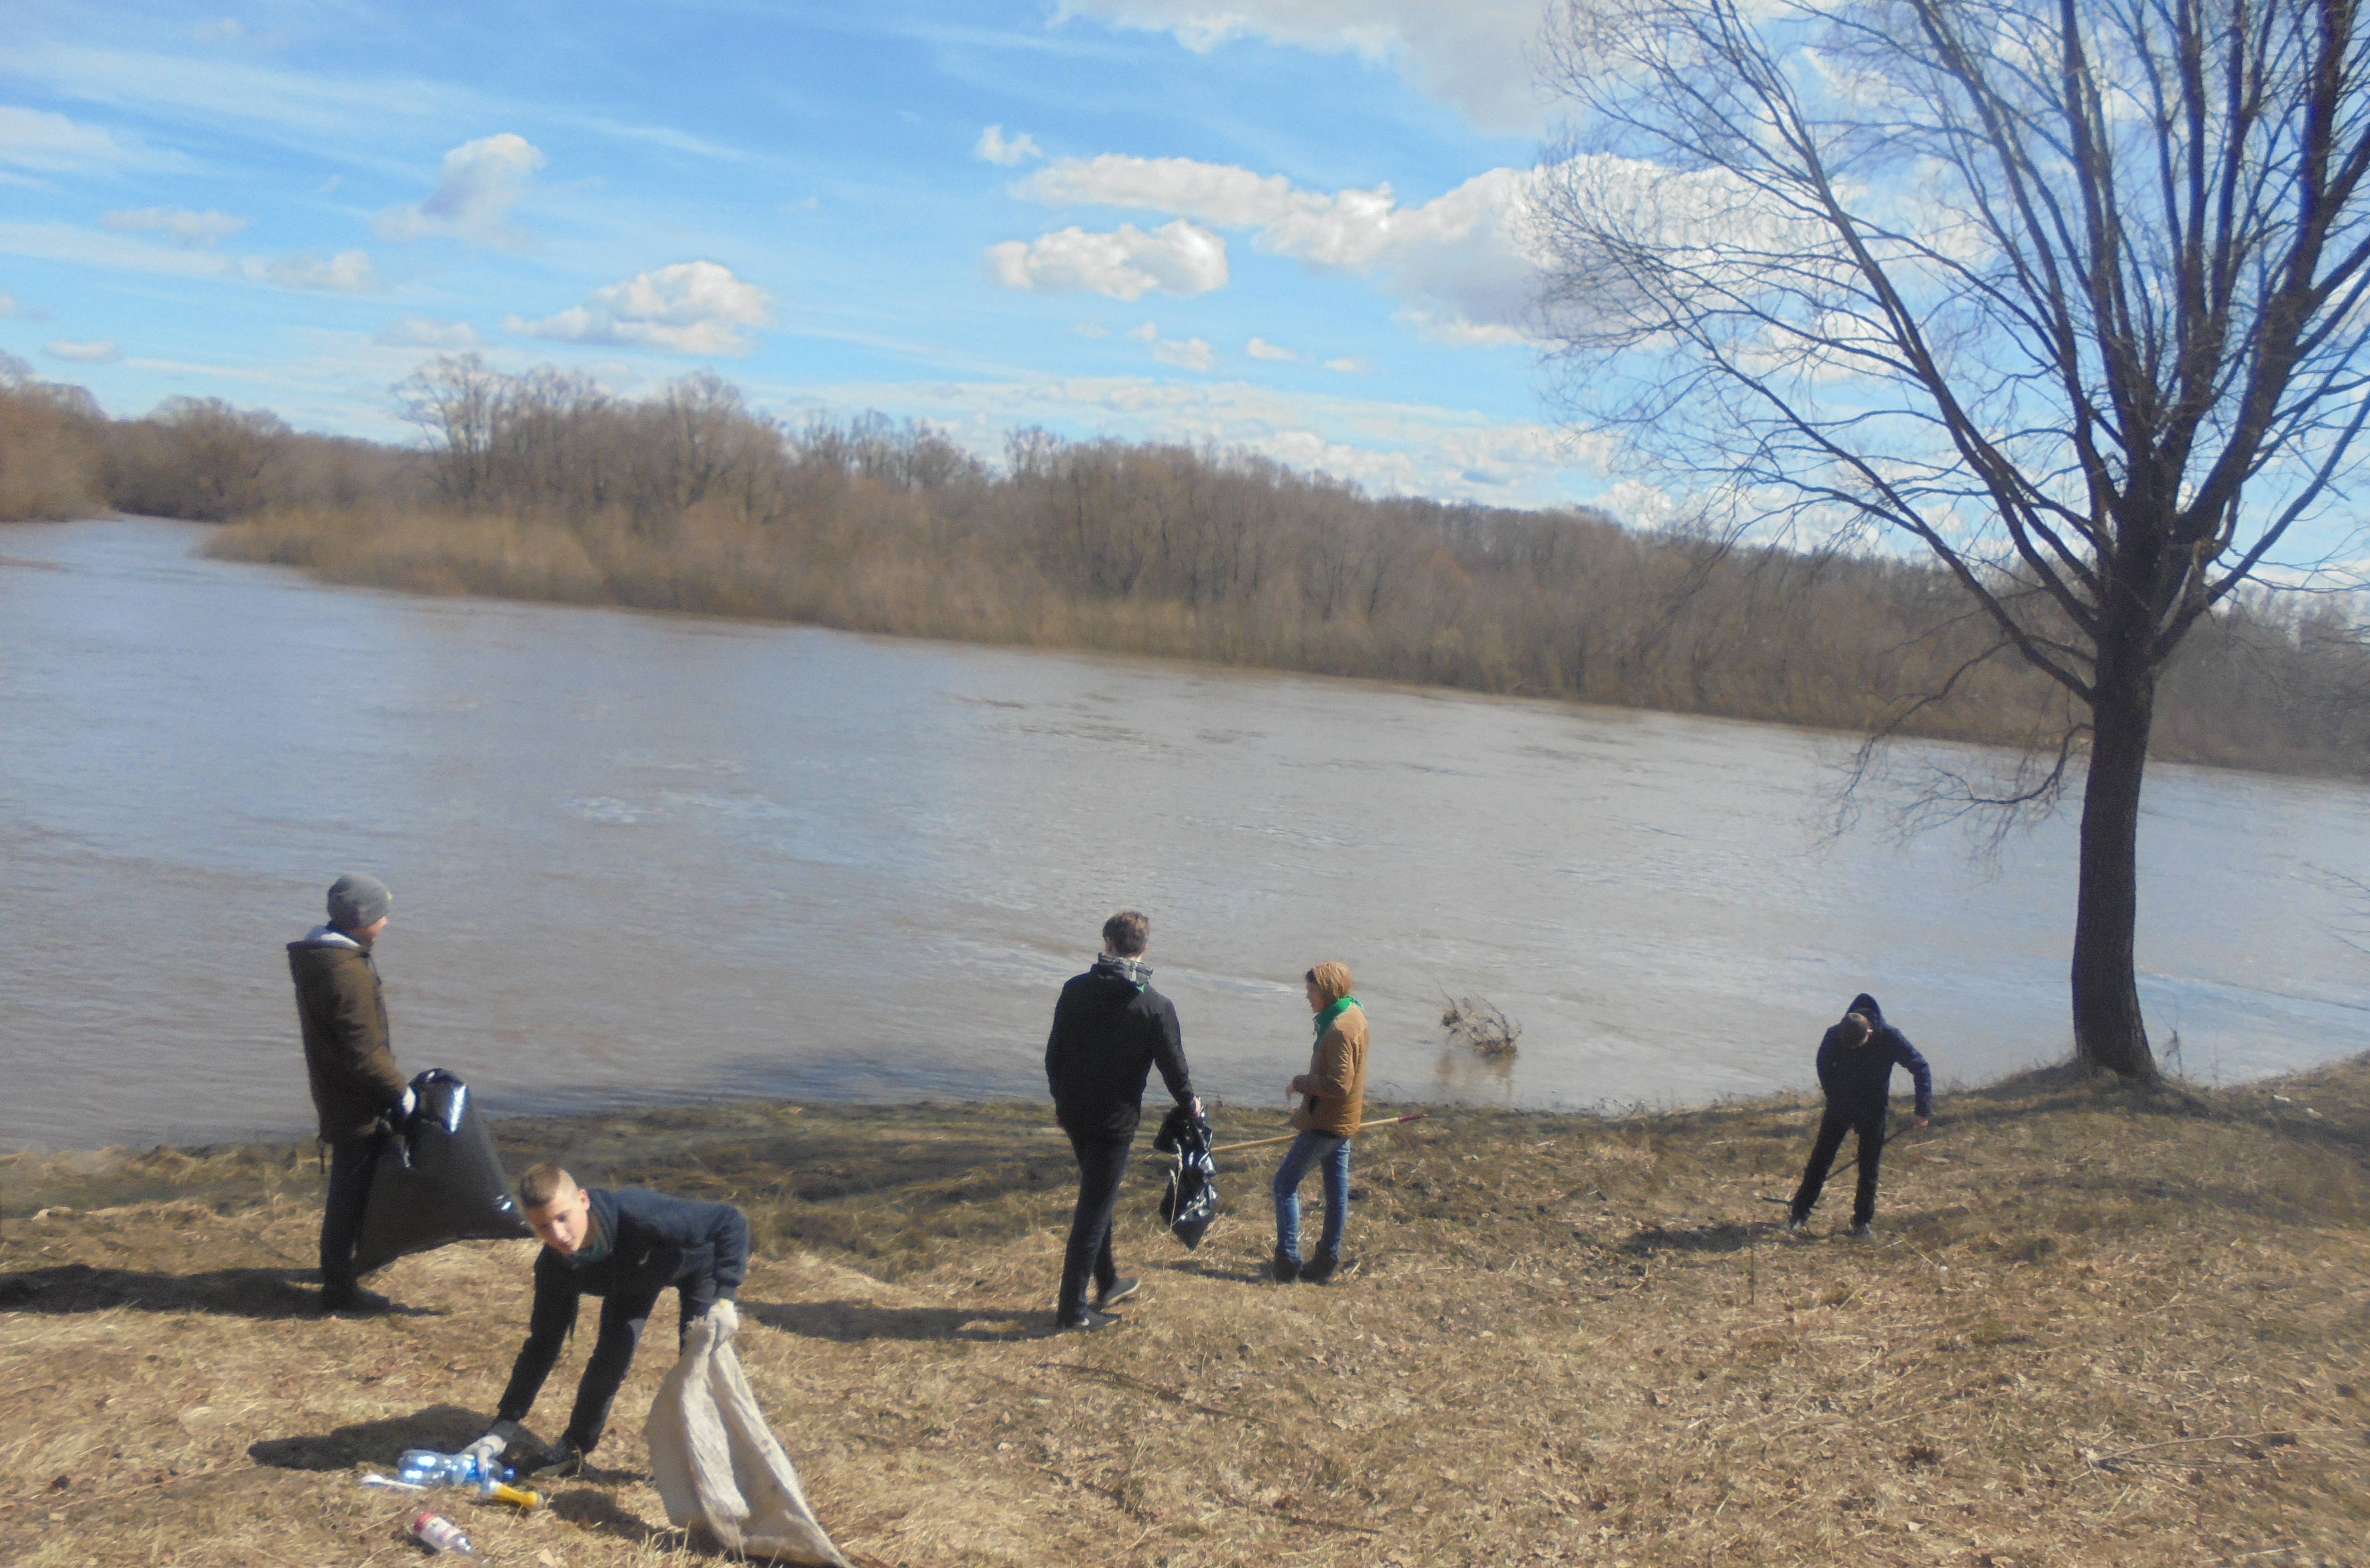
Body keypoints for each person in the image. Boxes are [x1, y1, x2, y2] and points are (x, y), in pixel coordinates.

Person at [463, 1164, 750, 1475]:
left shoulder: (641, 1217)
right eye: (543, 1227)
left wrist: (726, 1297)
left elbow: (730, 1220)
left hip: (695, 1264)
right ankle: (574, 1450)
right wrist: (503, 1426)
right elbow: (542, 1346)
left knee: (698, 1365)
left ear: (583, 1200)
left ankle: (711, 1464)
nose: (559, 1235)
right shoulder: (556, 1266)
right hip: (630, 1279)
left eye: (563, 1218)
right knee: (607, 1365)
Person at [1042, 910, 1199, 1332]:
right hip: (1114, 1125)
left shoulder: (1075, 990)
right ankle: (1072, 1312)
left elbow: (1054, 1056)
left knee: (1099, 1199)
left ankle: (1108, 1281)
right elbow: (1175, 1069)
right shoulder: (1155, 1006)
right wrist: (1192, 1106)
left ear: (1107, 943)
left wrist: (1060, 1101)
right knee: (1093, 1213)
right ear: (1144, 949)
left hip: (1076, 1116)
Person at [288, 872, 411, 1314]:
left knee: (354, 1188)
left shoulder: (327, 959)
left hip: (340, 1091)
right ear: (362, 922)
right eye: (382, 916)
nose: (387, 923)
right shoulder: (347, 975)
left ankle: (343, 1269)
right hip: (356, 1101)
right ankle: (339, 1289)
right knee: (349, 1195)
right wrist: (403, 1094)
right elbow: (364, 1055)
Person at [1787, 992, 1934, 1239]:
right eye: (1849, 1046)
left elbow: (1921, 1067)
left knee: (1869, 1168)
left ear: (1870, 1033)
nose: (1853, 1049)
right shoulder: (1834, 1035)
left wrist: (1922, 1110)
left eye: (1858, 1045)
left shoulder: (1890, 1037)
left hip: (1873, 1109)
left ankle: (1862, 1222)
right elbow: (1822, 1064)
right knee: (1820, 1160)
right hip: (1839, 1106)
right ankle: (1799, 1213)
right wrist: (1833, 1094)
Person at [1272, 961, 1368, 1284]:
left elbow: (1339, 1084)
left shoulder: (1340, 1029)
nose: (1308, 996)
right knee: (1336, 1190)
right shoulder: (1354, 1013)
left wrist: (1300, 1082)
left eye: (1312, 990)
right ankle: (1327, 1259)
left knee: (1285, 1184)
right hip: (1345, 1121)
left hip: (1327, 1123)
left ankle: (1288, 1260)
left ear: (1328, 990)